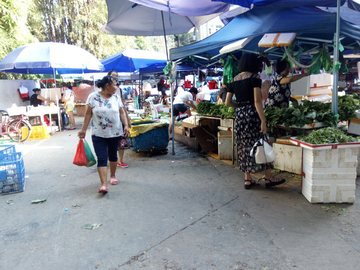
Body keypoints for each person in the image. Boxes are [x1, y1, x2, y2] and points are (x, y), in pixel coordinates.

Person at [225, 53, 285, 190]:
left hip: (240, 115)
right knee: (261, 143)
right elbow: (257, 101)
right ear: (253, 64)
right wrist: (263, 121)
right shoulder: (255, 78)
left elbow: (227, 102)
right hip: (253, 114)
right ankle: (268, 178)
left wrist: (240, 106)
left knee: (243, 145)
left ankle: (248, 179)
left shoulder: (233, 80)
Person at [78, 76, 129, 194]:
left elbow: (122, 112)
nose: (116, 87)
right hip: (98, 133)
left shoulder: (116, 98)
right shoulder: (93, 97)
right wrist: (83, 130)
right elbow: (87, 115)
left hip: (115, 132)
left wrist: (125, 125)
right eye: (115, 85)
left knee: (112, 155)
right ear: (107, 86)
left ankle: (113, 176)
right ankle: (103, 185)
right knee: (101, 157)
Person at [108, 70, 131, 169]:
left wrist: (127, 119)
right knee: (109, 140)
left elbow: (123, 106)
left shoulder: (119, 90)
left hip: (119, 118)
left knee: (122, 140)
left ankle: (120, 161)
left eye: (117, 76)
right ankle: (108, 159)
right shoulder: (104, 89)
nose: (116, 77)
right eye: (113, 76)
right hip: (108, 119)